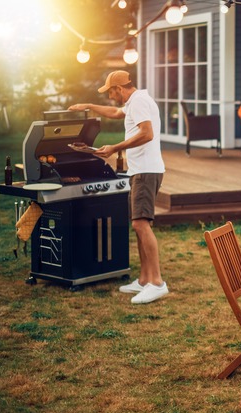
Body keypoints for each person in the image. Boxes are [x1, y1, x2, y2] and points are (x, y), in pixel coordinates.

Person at [69, 71, 167, 304]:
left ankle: (157, 283)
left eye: (111, 92)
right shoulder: (134, 101)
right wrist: (90, 105)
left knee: (140, 224)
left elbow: (147, 133)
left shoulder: (139, 102)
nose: (111, 97)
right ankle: (144, 280)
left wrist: (115, 148)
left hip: (146, 170)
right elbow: (114, 112)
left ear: (119, 88)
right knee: (139, 225)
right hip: (139, 170)